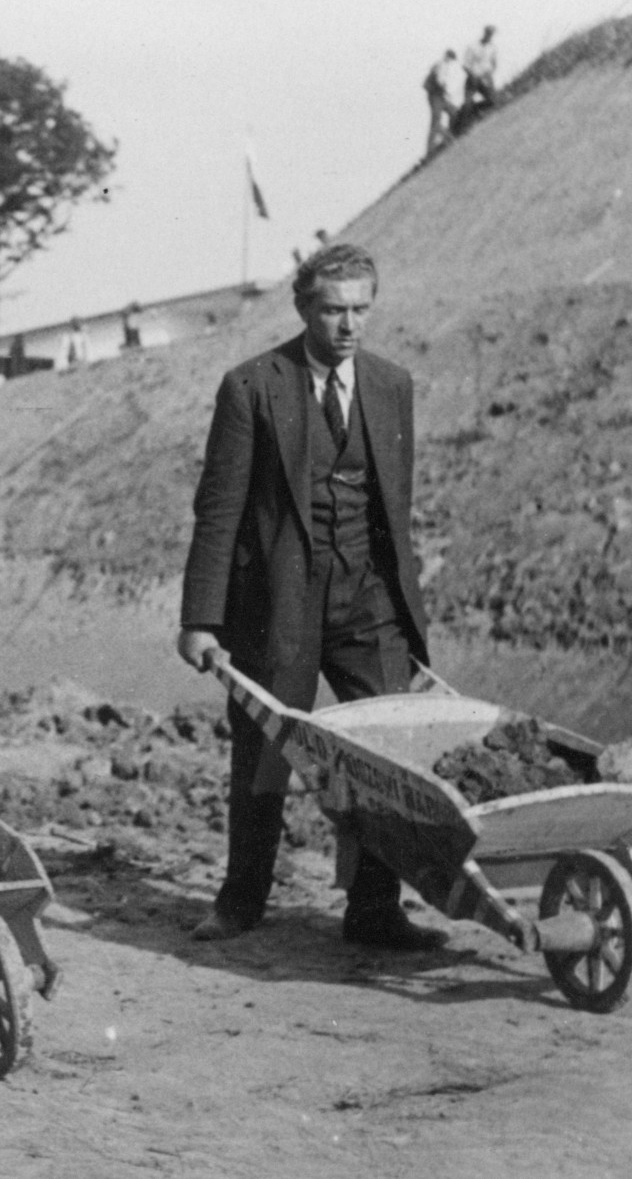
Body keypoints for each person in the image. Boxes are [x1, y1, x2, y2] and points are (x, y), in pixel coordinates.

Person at [176, 244, 443, 951]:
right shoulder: (252, 386)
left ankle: (374, 909)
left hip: (368, 600)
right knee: (265, 753)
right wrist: (200, 619)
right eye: (332, 310)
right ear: (302, 308)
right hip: (278, 603)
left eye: (361, 309)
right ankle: (241, 901)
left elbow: (394, 507)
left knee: (386, 754)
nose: (348, 325)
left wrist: (403, 613)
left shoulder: (391, 385)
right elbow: (219, 509)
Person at [423, 50, 465, 156]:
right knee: (436, 120)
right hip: (435, 96)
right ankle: (432, 149)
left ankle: (449, 135)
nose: (451, 61)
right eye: (451, 58)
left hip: (440, 96)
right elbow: (440, 80)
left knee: (453, 113)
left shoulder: (443, 65)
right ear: (448, 57)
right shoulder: (441, 65)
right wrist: (446, 89)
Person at [463, 26, 499, 107]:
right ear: (484, 33)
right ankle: (467, 109)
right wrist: (472, 76)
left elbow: (494, 64)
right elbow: (465, 65)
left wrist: (489, 74)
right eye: (488, 33)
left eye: (491, 34)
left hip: (486, 77)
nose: (490, 36)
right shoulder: (473, 46)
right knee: (467, 105)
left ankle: (475, 109)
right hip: (473, 77)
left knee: (492, 101)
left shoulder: (493, 47)